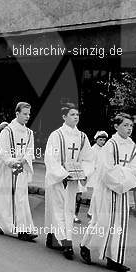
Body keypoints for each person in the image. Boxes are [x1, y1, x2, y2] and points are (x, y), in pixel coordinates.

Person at [79, 114, 136, 272]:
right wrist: (122, 176)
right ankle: (85, 245)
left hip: (122, 190)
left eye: (130, 126)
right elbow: (106, 170)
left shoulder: (133, 147)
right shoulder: (110, 145)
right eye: (125, 125)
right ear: (116, 126)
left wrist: (125, 181)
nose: (129, 128)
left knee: (119, 224)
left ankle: (114, 259)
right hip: (107, 189)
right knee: (102, 221)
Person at [43, 103, 94, 259]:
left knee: (69, 210)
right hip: (58, 179)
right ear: (64, 117)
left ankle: (53, 238)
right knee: (58, 210)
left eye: (77, 114)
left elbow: (88, 159)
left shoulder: (82, 137)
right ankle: (66, 243)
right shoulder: (56, 135)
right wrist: (63, 174)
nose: (76, 117)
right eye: (72, 114)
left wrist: (83, 173)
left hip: (73, 180)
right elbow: (51, 158)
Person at [0, 103, 37, 241]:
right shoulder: (7, 131)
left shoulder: (29, 133)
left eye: (29, 114)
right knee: (6, 198)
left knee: (21, 198)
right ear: (17, 113)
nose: (27, 117)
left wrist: (23, 161)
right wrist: (12, 161)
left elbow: (30, 150)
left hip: (20, 170)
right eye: (25, 114)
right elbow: (2, 151)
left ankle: (23, 228)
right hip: (7, 170)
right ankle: (1, 223)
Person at [86, 131, 108, 218]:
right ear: (96, 140)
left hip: (102, 173)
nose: (103, 142)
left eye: (104, 140)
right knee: (96, 193)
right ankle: (91, 212)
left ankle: (94, 211)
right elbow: (91, 163)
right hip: (95, 174)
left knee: (100, 194)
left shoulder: (104, 149)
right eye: (101, 140)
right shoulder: (93, 149)